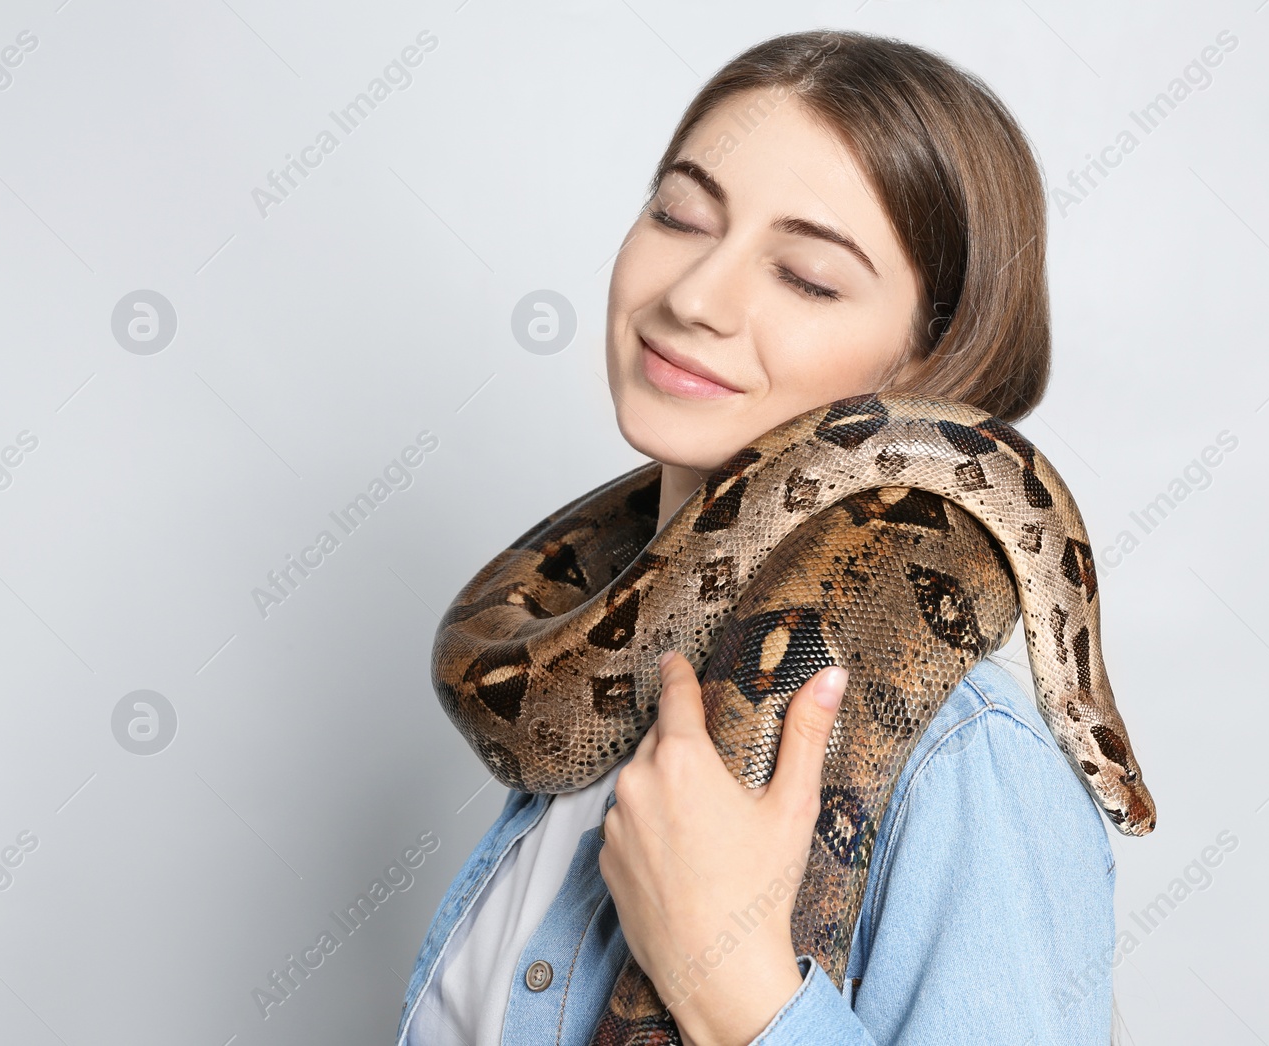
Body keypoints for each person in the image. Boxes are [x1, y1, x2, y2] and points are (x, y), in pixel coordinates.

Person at [399, 29, 1116, 1045]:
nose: (692, 297)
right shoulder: (591, 697)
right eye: (680, 216)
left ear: (931, 357)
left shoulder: (962, 764)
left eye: (808, 278)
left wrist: (729, 975)